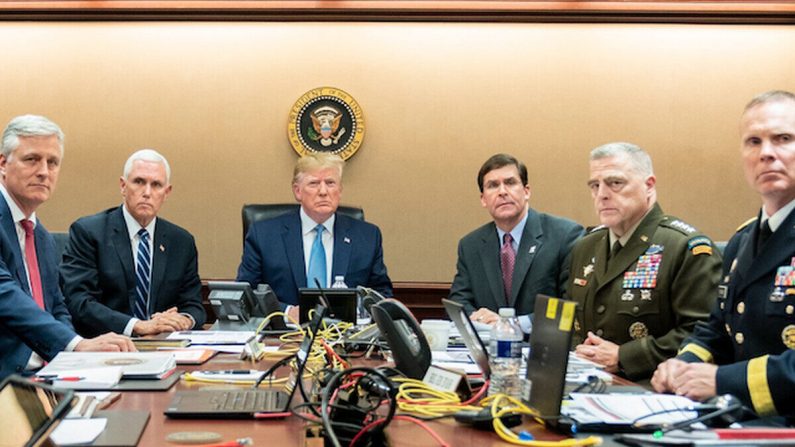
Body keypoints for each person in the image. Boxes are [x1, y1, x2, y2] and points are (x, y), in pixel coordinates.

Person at [652, 90, 795, 419]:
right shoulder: (743, 240)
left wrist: (724, 380)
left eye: (783, 138)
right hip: (743, 422)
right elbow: (716, 329)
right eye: (753, 142)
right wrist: (681, 365)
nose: (766, 153)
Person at [568, 142, 721, 381]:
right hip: (586, 383)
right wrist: (578, 351)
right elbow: (571, 320)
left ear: (649, 186)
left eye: (615, 183)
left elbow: (703, 334)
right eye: (595, 185)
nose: (602, 194)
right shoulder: (585, 246)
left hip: (652, 388)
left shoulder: (684, 247)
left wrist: (625, 356)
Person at [0, 115, 134, 379]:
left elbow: (58, 306)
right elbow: (6, 296)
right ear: (3, 164)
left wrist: (71, 358)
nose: (44, 171)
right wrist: (75, 345)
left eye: (53, 162)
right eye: (32, 159)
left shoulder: (42, 237)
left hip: (46, 376)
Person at [61, 149, 206, 338]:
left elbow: (194, 304)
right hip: (105, 345)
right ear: (123, 186)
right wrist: (137, 326)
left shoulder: (181, 242)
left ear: (166, 192)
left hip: (163, 346)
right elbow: (79, 302)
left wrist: (183, 320)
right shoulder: (89, 232)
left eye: (156, 185)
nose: (147, 192)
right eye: (139, 182)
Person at [237, 152, 392, 321]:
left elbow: (380, 295)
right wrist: (287, 312)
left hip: (345, 339)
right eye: (314, 183)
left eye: (330, 183)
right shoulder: (264, 235)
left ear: (340, 190)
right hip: (282, 339)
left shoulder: (367, 236)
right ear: (297, 191)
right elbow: (247, 293)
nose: (323, 191)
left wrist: (357, 311)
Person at [448, 153, 583, 332]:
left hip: (542, 348)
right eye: (493, 185)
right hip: (490, 348)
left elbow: (571, 304)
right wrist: (480, 321)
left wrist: (511, 325)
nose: (502, 191)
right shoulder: (470, 245)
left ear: (526, 191)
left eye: (510, 182)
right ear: (483, 199)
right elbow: (460, 300)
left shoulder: (564, 235)